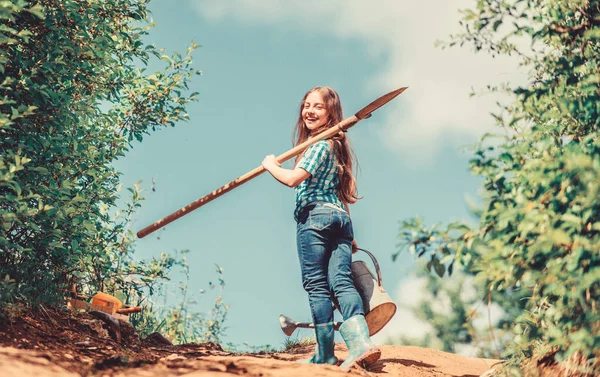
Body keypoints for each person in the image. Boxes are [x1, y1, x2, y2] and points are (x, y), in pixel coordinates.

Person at [261, 86, 381, 370]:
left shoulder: (318, 145)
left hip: (315, 218)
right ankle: (361, 344)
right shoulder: (337, 147)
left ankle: (326, 353)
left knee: (317, 285)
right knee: (341, 282)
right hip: (340, 219)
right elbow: (341, 194)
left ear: (330, 114)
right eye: (306, 105)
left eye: (317, 107)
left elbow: (293, 179)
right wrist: (351, 237)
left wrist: (270, 166)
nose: (309, 111)